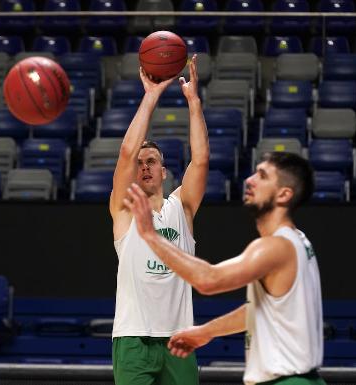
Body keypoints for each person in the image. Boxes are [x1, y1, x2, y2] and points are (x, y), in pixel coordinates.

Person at [124, 152, 326, 385]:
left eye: (261, 175)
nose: (249, 180)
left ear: (284, 194)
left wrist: (150, 236)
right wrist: (206, 332)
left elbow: (208, 280)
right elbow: (257, 312)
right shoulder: (298, 240)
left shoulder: (275, 247)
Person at [109, 55, 209, 385]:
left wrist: (194, 102)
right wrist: (150, 98)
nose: (145, 167)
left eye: (152, 161)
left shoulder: (182, 207)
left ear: (164, 172)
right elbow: (126, 153)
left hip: (179, 339)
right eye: (140, 164)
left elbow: (201, 160)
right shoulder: (124, 209)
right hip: (133, 337)